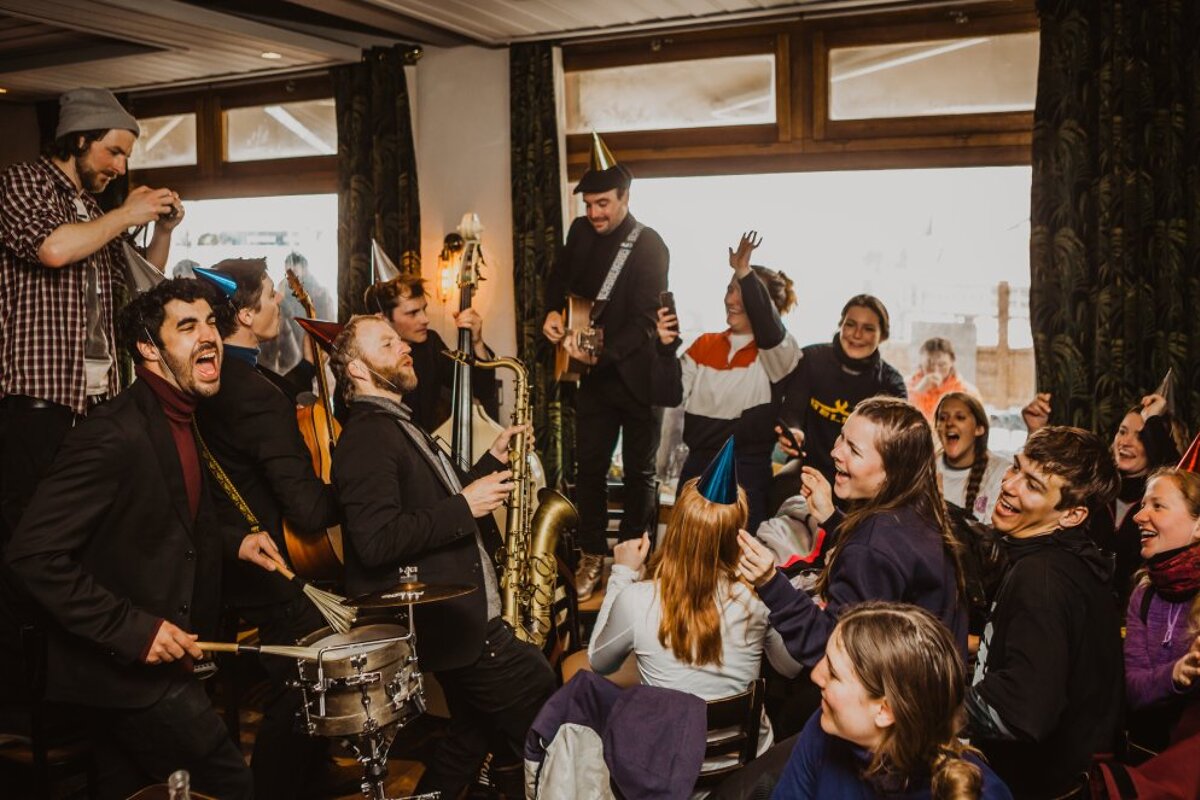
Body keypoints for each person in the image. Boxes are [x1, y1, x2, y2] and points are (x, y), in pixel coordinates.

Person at [4, 279, 279, 799]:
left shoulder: (178, 414)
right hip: (125, 673)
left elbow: (162, 517)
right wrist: (135, 632)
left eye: (211, 323)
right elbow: (31, 554)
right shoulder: (112, 433)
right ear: (148, 348)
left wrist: (232, 541)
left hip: (148, 667)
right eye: (187, 325)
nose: (209, 336)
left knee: (132, 790)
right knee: (231, 786)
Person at [329, 314, 555, 799]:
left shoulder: (398, 424)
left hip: (465, 619)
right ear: (356, 370)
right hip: (461, 626)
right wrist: (464, 505)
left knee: (469, 738)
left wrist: (493, 457)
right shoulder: (366, 437)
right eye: (386, 343)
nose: (404, 347)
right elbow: (374, 541)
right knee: (549, 718)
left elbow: (441, 499)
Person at [0, 87, 183, 533]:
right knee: (30, 533)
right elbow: (53, 249)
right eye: (114, 151)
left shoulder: (92, 210)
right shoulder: (24, 181)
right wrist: (124, 214)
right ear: (80, 139)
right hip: (37, 399)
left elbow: (140, 286)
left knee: (89, 530)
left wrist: (162, 231)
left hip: (95, 397)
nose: (120, 167)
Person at [193, 259, 340, 798]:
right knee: (310, 679)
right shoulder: (255, 396)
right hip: (266, 567)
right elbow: (308, 510)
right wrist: (350, 480)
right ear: (248, 313)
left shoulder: (213, 379)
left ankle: (315, 773)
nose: (284, 304)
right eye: (275, 297)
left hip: (216, 560)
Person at [588, 441, 802, 780]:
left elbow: (600, 663)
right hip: (739, 773)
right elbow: (788, 668)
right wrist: (778, 593)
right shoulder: (758, 600)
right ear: (738, 533)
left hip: (662, 766)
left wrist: (622, 573)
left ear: (678, 529)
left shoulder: (637, 599)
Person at [739, 397, 968, 668]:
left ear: (891, 474)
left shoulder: (876, 543)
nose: (836, 452)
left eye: (854, 450)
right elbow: (879, 577)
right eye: (842, 438)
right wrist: (831, 519)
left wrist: (769, 582)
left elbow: (829, 651)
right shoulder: (920, 515)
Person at [542, 133, 670, 601]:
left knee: (640, 474)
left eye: (603, 204)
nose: (595, 213)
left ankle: (634, 557)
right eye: (589, 203)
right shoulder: (579, 232)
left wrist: (600, 352)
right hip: (591, 378)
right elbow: (559, 281)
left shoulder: (650, 245)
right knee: (589, 468)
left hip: (638, 379)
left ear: (625, 198)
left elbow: (645, 323)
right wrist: (553, 313)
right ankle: (592, 554)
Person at [965, 426, 1123, 799]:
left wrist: (928, 712)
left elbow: (1024, 708)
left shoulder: (1043, 577)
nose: (1010, 485)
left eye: (1033, 485)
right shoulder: (1062, 559)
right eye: (1016, 468)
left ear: (1072, 514)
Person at [771, 602, 1012, 800]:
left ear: (885, 710)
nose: (815, 675)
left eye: (833, 673)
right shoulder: (826, 729)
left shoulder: (979, 794)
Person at [655, 232, 800, 533]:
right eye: (729, 289)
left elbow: (770, 329)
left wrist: (744, 272)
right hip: (697, 467)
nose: (731, 299)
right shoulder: (704, 345)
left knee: (739, 562)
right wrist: (666, 349)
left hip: (745, 470)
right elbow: (669, 394)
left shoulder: (778, 354)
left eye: (741, 291)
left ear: (764, 306)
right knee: (684, 553)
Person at [1024, 391, 1181, 605]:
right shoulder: (1091, 490)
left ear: (1155, 443)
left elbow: (1177, 475)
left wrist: (1153, 417)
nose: (1125, 442)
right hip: (1077, 606)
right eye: (1122, 432)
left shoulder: (1163, 505)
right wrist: (1035, 431)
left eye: (1141, 436)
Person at [770, 294, 906, 515]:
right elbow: (792, 412)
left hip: (860, 482)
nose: (857, 334)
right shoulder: (812, 359)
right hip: (811, 468)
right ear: (840, 325)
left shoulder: (891, 384)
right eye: (850, 324)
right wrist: (793, 432)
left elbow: (895, 450)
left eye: (868, 328)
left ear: (882, 336)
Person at [1124, 464, 1200, 754]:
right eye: (1143, 505)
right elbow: (1133, 689)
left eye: (1158, 506)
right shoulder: (1144, 593)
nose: (1140, 516)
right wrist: (1176, 674)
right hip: (1148, 762)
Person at [363, 272, 500, 434]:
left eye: (423, 309)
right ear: (382, 318)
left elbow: (482, 389)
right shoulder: (363, 357)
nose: (425, 319)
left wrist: (476, 341)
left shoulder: (431, 343)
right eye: (413, 313)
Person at [935, 392, 1008, 523]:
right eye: (942, 418)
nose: (949, 423)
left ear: (979, 429)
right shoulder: (925, 470)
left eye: (960, 417)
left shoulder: (1000, 472)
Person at [907, 337, 980, 423]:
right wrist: (918, 392)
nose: (935, 370)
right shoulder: (906, 386)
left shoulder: (967, 392)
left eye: (942, 365)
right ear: (921, 362)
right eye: (929, 364)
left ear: (952, 362)